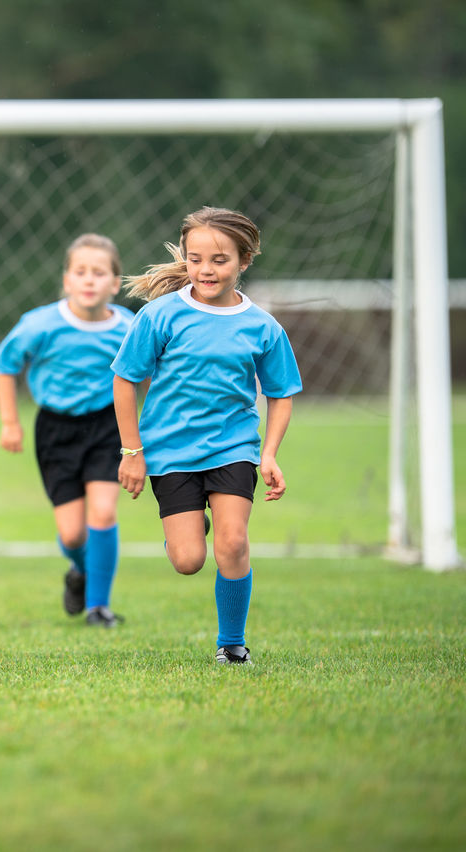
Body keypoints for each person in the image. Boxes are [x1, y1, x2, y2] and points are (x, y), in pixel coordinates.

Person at [111, 207, 301, 665]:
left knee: (232, 544)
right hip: (170, 452)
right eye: (196, 259)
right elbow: (124, 379)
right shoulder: (160, 316)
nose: (206, 270)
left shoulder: (262, 326)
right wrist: (132, 451)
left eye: (219, 260)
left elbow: (281, 393)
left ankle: (232, 645)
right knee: (188, 560)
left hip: (233, 448)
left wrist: (270, 454)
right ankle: (191, 528)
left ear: (244, 261)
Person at [0, 234, 133, 627]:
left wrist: (142, 426)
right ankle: (80, 571)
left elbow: (147, 376)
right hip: (55, 430)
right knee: (72, 535)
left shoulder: (130, 328)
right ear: (66, 280)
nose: (89, 280)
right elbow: (3, 364)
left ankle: (98, 607)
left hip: (107, 426)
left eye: (99, 272)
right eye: (80, 272)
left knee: (102, 513)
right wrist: (9, 422)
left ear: (115, 283)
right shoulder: (40, 324)